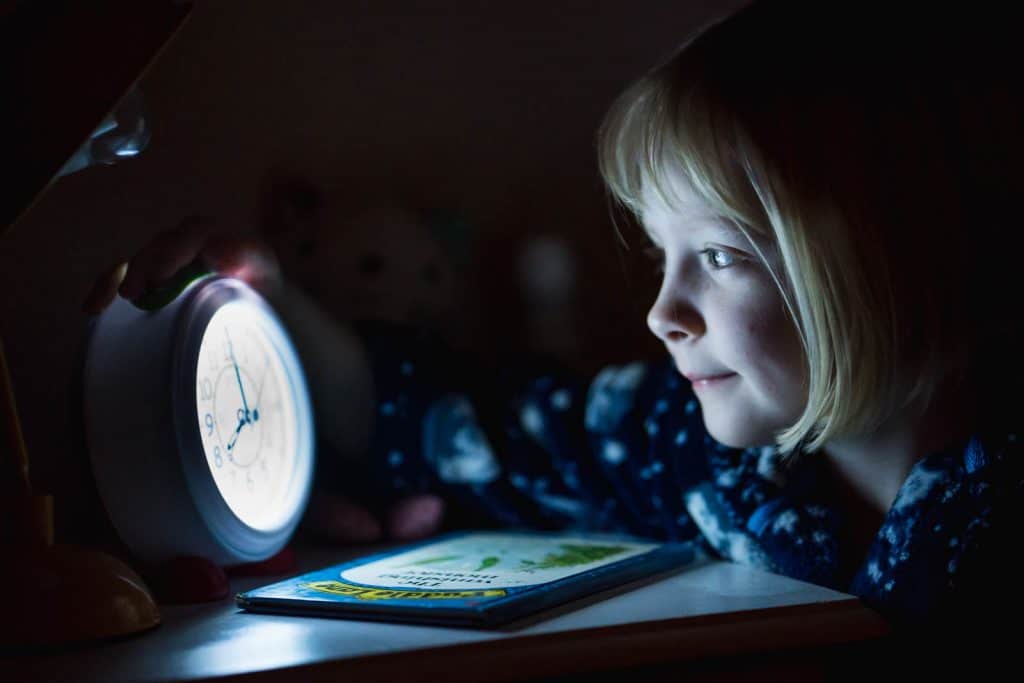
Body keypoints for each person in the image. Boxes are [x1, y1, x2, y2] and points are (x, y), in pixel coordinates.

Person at [86, 0, 1022, 650]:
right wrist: (278, 303)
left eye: (720, 255)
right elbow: (481, 428)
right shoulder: (702, 456)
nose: (662, 312)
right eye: (662, 256)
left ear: (896, 249)